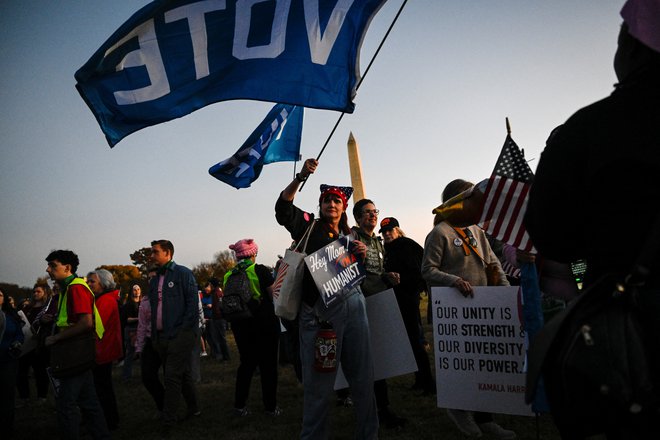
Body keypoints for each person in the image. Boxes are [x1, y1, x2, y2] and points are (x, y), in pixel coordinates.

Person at [524, 2, 660, 437]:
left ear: (632, 47)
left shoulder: (586, 131)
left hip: (629, 338)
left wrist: (587, 273)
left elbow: (549, 233)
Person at [275, 158, 378, 440]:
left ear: (344, 207)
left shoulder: (351, 234)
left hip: (355, 306)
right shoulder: (308, 225)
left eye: (337, 201)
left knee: (362, 378)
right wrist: (301, 177)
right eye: (327, 201)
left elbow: (360, 273)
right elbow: (283, 209)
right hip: (321, 315)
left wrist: (360, 253)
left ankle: (368, 434)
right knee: (319, 384)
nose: (332, 205)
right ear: (320, 205)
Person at [422, 180, 515, 440]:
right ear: (457, 201)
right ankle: (459, 409)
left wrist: (506, 292)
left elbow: (493, 263)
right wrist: (454, 281)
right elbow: (427, 270)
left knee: (483, 366)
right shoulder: (440, 233)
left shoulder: (477, 230)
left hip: (481, 309)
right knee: (459, 366)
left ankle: (486, 419)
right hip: (454, 311)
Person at [350, 199, 407, 429]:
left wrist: (387, 276)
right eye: (367, 212)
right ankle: (372, 411)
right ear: (357, 217)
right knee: (367, 363)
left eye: (375, 212)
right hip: (361, 305)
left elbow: (378, 270)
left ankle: (382, 409)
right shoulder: (351, 239)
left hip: (380, 301)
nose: (373, 216)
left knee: (380, 361)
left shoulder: (377, 241)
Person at [44, 249, 110, 440]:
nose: (48, 269)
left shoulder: (76, 288)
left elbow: (86, 322)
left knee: (66, 405)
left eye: (53, 266)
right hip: (79, 353)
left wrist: (56, 338)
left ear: (67, 268)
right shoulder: (69, 288)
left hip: (74, 353)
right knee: (89, 401)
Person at [147, 239, 200, 437]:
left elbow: (192, 305)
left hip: (179, 335)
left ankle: (168, 421)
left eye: (155, 252)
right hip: (161, 337)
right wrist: (154, 336)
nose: (151, 255)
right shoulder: (154, 280)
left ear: (167, 253)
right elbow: (154, 309)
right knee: (183, 374)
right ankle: (195, 409)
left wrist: (182, 332)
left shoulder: (183, 274)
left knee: (171, 377)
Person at [380, 217, 436, 395]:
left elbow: (420, 270)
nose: (387, 234)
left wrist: (404, 283)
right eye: (384, 232)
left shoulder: (406, 245)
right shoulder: (387, 249)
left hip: (408, 299)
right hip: (397, 299)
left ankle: (428, 383)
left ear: (397, 230)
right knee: (410, 342)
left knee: (415, 340)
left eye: (390, 230)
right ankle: (420, 380)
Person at [225, 238, 281, 416]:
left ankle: (239, 406)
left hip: (240, 325)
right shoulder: (259, 270)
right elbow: (273, 295)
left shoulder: (228, 275)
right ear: (253, 254)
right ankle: (270, 408)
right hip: (263, 323)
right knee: (268, 366)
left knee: (246, 365)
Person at [87, 269, 123, 430]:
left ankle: (109, 421)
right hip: (103, 349)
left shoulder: (105, 301)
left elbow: (95, 326)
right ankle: (109, 419)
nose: (89, 284)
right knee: (102, 387)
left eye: (92, 281)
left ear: (103, 283)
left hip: (103, 350)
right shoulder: (103, 299)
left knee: (102, 388)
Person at [16, 283, 57, 406]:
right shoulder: (28, 308)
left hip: (39, 344)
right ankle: (24, 397)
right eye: (34, 292)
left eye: (38, 291)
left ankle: (42, 396)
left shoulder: (47, 308)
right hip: (26, 343)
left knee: (40, 371)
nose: (35, 294)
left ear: (45, 292)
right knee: (22, 371)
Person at [0, 288, 25, 438]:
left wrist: (17, 343)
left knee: (6, 397)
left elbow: (19, 334)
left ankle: (6, 428)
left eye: (0, 295)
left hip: (7, 361)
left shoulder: (11, 316)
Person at [121, 284, 141, 381]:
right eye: (134, 289)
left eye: (138, 289)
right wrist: (140, 318)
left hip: (140, 330)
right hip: (131, 330)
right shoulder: (128, 304)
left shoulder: (142, 303)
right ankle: (126, 376)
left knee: (142, 353)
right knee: (130, 354)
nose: (136, 291)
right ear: (131, 292)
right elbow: (127, 319)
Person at [207, 278, 231, 361]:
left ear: (212, 285)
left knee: (219, 338)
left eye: (210, 284)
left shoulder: (216, 293)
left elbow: (219, 306)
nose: (209, 285)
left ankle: (224, 356)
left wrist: (216, 314)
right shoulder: (218, 292)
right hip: (220, 318)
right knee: (221, 337)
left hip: (218, 318)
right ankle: (225, 356)